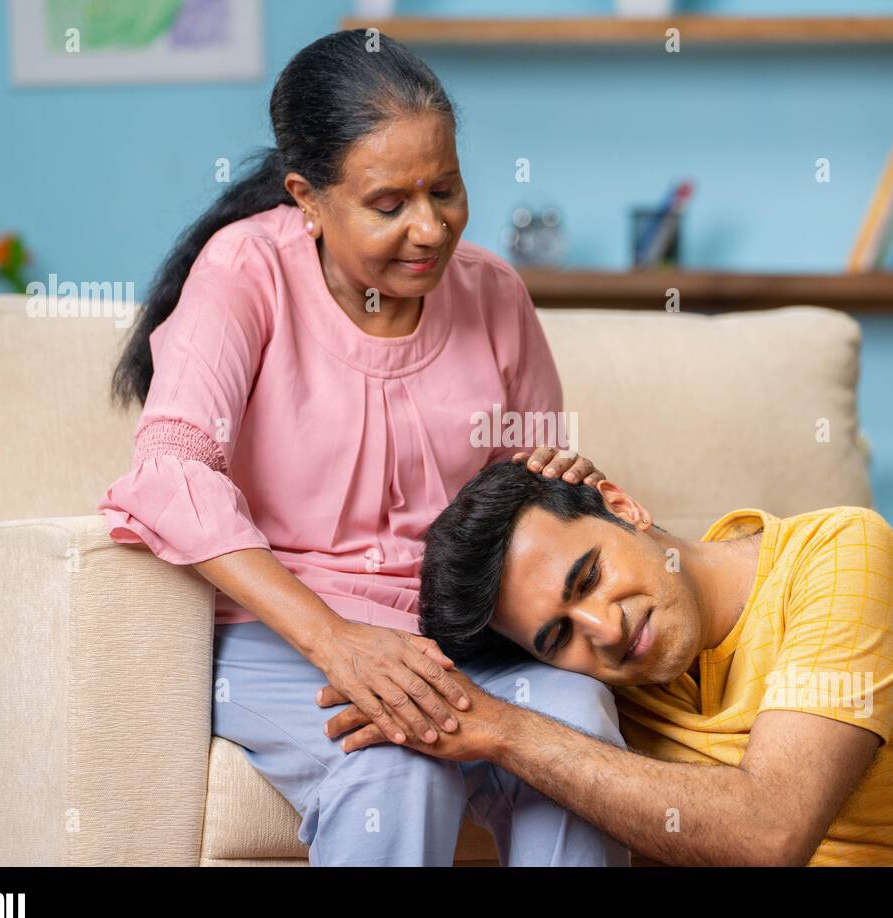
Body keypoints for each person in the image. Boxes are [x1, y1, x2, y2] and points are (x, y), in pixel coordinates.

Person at [99, 30, 628, 867]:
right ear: (308, 198)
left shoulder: (494, 293)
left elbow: (521, 494)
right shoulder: (247, 271)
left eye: (446, 191)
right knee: (400, 773)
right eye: (389, 205)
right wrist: (337, 641)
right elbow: (170, 473)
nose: (430, 229)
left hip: (457, 637)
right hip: (282, 637)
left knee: (578, 724)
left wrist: (568, 495)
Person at [322, 460, 893, 867]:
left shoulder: (841, 556)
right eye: (558, 637)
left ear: (622, 504)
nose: (605, 630)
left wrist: (504, 731)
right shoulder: (612, 681)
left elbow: (769, 834)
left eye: (589, 578)